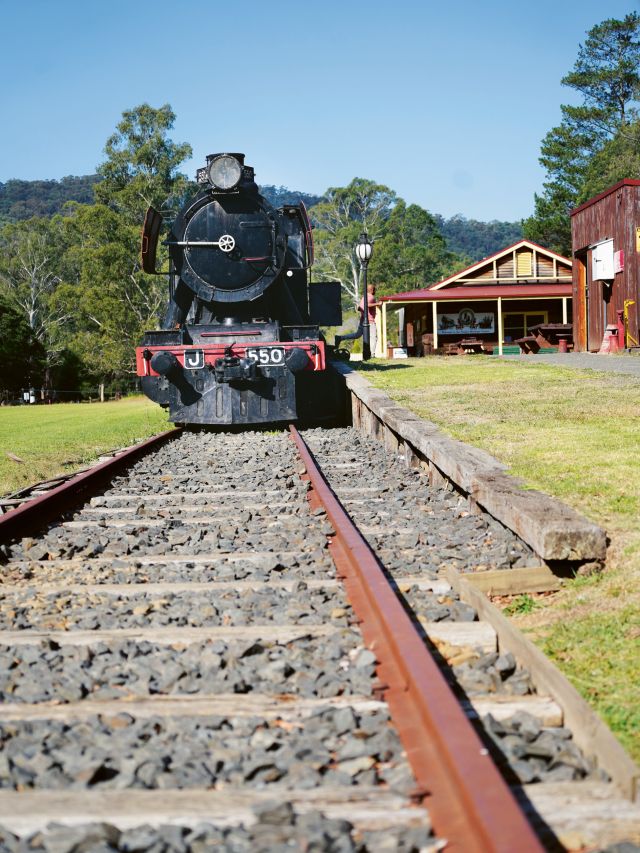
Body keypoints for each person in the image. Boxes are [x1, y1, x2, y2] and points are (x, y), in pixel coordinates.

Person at [335, 284, 380, 356]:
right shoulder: (371, 297)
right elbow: (366, 305)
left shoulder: (364, 297)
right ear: (372, 290)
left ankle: (340, 338)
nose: (375, 291)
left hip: (363, 320)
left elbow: (359, 308)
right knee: (373, 337)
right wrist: (378, 303)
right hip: (369, 321)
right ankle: (372, 354)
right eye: (374, 290)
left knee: (357, 335)